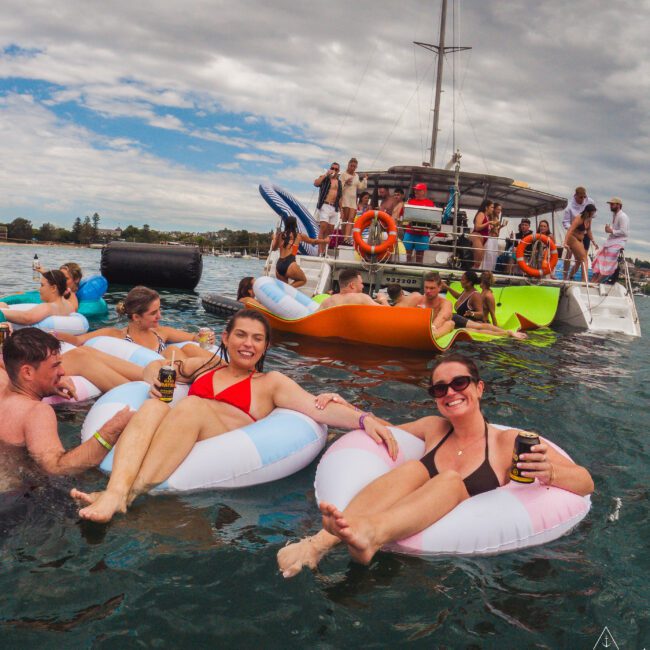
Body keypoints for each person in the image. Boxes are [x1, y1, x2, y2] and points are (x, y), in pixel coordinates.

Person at [277, 353, 594, 576]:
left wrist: (552, 472)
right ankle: (318, 544)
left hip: (448, 564)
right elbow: (384, 430)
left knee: (449, 481)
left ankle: (367, 536)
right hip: (403, 533)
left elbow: (585, 482)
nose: (450, 393)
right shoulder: (433, 428)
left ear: (479, 387)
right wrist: (345, 406)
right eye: (440, 388)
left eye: (460, 383)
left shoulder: (508, 442)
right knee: (415, 469)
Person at [69, 309, 396, 523]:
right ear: (225, 338)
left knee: (192, 406)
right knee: (154, 405)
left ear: (266, 347)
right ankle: (115, 493)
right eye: (241, 335)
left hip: (218, 434)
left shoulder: (271, 383)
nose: (248, 344)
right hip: (180, 432)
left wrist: (365, 419)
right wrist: (156, 377)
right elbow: (160, 365)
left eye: (257, 338)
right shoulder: (206, 367)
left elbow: (316, 408)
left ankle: (125, 494)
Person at [0, 328, 133, 476]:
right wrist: (111, 430)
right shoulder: (35, 412)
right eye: (55, 366)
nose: (63, 372)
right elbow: (56, 468)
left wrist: (51, 382)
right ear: (27, 372)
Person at [56, 286, 215, 360]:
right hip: (139, 382)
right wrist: (52, 335)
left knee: (181, 348)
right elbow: (77, 341)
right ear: (136, 317)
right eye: (153, 313)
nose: (159, 316)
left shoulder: (161, 332)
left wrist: (204, 337)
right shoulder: (116, 335)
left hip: (172, 379)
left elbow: (194, 338)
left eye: (159, 310)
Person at [440, 272, 527, 339]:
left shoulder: (479, 295)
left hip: (477, 323)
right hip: (464, 322)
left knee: (477, 329)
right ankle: (506, 332)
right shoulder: (466, 291)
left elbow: (486, 314)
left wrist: (472, 314)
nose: (460, 281)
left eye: (462, 279)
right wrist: (447, 288)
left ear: (469, 282)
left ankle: (507, 333)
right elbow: (459, 297)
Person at [0, 270, 75, 325]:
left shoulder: (49, 307)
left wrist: (1, 313)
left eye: (42, 285)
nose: (40, 289)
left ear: (53, 288)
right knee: (3, 304)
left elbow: (27, 318)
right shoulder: (69, 305)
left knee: (2, 305)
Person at [271, 217, 327, 288]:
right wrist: (325, 241)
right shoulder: (299, 235)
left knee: (283, 288)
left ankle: (286, 290)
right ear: (295, 225)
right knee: (303, 280)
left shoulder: (280, 235)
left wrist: (274, 238)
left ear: (285, 224)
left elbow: (273, 248)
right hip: (290, 263)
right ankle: (288, 289)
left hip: (279, 264)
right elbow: (313, 241)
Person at [591, 197, 629, 283]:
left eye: (612, 204)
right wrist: (609, 229)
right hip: (611, 242)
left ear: (618, 205)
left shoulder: (623, 216)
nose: (610, 206)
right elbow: (617, 230)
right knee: (599, 260)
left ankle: (596, 282)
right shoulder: (615, 215)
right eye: (610, 204)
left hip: (618, 243)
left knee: (608, 265)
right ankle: (592, 282)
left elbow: (624, 232)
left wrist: (611, 230)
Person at [318, 269, 389, 310]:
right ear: (352, 285)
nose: (363, 286)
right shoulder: (361, 298)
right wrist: (383, 299)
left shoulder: (327, 302)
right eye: (361, 283)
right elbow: (389, 313)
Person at [562, 186, 593, 277]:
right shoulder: (570, 207)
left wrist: (593, 239)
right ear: (575, 195)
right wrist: (573, 229)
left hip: (585, 233)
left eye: (584, 197)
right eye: (580, 197)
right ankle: (565, 276)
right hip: (572, 233)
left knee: (582, 258)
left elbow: (592, 215)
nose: (583, 199)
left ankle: (571, 276)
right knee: (569, 254)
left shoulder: (589, 201)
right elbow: (565, 222)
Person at [564, 204, 599, 281]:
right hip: (572, 238)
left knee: (579, 261)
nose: (593, 215)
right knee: (584, 258)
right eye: (592, 213)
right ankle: (585, 281)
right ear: (587, 212)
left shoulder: (589, 219)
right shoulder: (579, 218)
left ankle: (570, 276)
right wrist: (565, 242)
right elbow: (570, 230)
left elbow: (589, 230)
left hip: (580, 240)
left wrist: (593, 241)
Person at [314, 162, 343, 255]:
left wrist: (341, 210)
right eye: (332, 168)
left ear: (338, 171)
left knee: (330, 231)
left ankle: (324, 251)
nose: (334, 170)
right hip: (325, 205)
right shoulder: (324, 178)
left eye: (336, 169)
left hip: (334, 208)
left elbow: (340, 197)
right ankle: (320, 252)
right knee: (323, 228)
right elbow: (316, 183)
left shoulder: (339, 182)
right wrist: (326, 174)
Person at [403, 183, 434, 265]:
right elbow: (405, 217)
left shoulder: (430, 203)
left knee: (419, 258)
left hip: (422, 234)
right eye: (415, 189)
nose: (415, 191)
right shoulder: (410, 201)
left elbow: (431, 219)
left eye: (418, 190)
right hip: (410, 232)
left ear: (424, 191)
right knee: (407, 255)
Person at [339, 158, 368, 243]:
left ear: (356, 167)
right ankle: (343, 237)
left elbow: (360, 187)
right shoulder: (343, 175)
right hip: (345, 200)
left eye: (354, 166)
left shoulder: (356, 176)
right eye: (351, 165)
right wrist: (345, 182)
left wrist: (365, 179)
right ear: (348, 165)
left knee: (351, 219)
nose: (352, 167)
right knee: (345, 220)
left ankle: (346, 239)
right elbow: (338, 187)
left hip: (353, 201)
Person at [469, 200, 494, 269]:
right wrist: (488, 223)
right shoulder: (481, 214)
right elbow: (477, 227)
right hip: (476, 237)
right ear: (486, 208)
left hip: (481, 240)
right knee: (477, 261)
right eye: (491, 207)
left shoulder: (487, 217)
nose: (493, 209)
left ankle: (473, 273)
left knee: (478, 262)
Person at [482, 203, 507, 272]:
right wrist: (494, 225)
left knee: (494, 256)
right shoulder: (490, 217)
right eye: (498, 209)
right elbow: (489, 229)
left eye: (500, 210)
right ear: (494, 209)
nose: (499, 211)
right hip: (489, 238)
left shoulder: (497, 218)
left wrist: (501, 226)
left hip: (495, 239)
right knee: (488, 255)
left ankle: (490, 272)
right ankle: (485, 271)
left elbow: (497, 233)